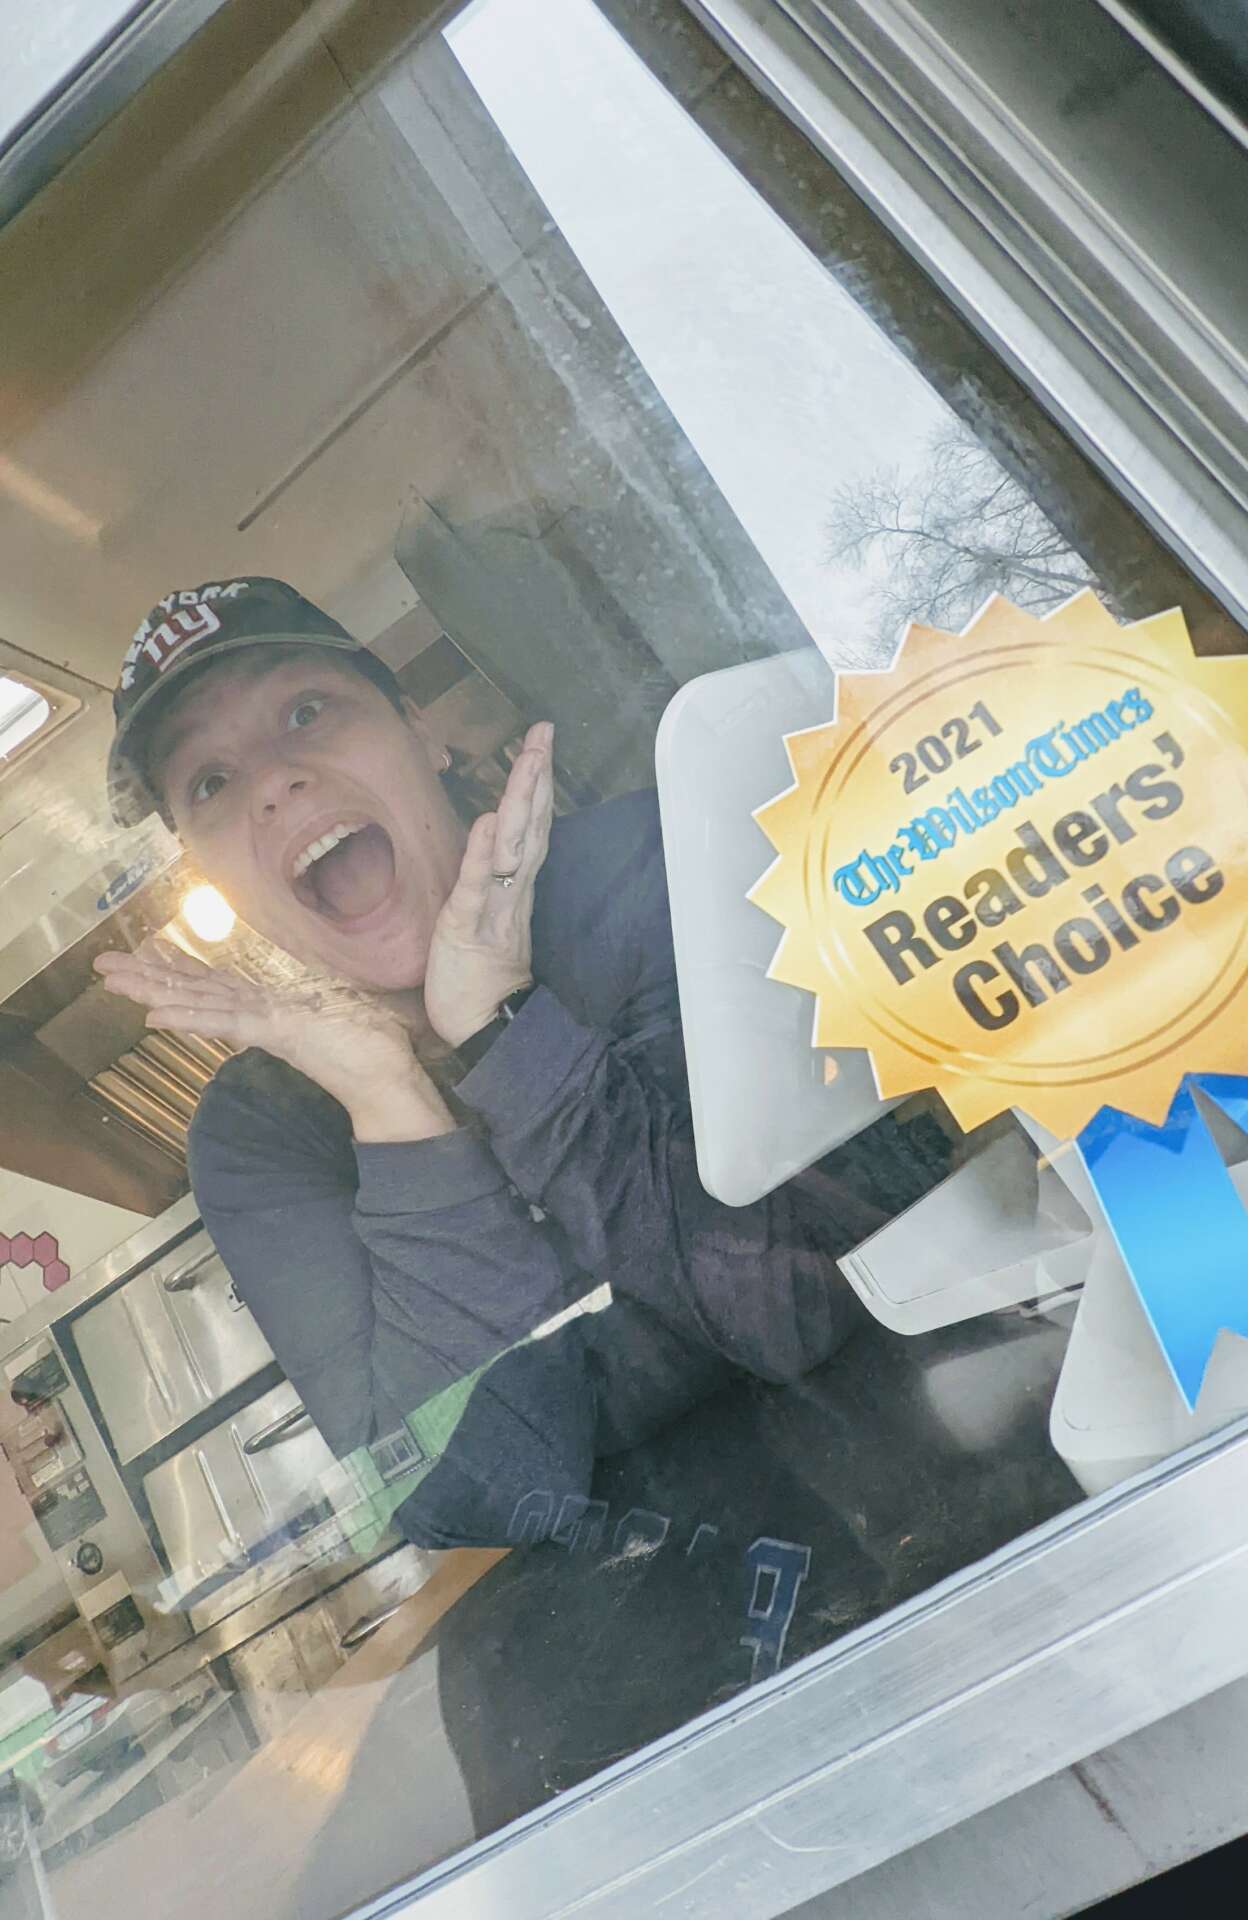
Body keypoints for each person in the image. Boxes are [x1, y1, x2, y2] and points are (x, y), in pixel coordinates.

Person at [97, 575, 958, 1551]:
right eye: (210, 782)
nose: (271, 783)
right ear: (205, 866)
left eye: (305, 713)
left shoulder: (651, 865)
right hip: (655, 1592)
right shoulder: (257, 1133)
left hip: (947, 1447)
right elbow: (467, 1495)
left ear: (420, 729)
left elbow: (793, 1305)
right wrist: (392, 1103)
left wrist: (500, 1030)